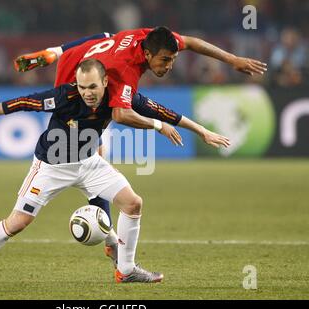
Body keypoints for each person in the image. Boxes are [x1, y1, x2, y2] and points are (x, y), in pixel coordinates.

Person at [0, 59, 229, 285]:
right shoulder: (64, 97)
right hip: (50, 168)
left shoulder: (119, 97)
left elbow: (163, 112)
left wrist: (202, 131)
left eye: (93, 87)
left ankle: (126, 270)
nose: (87, 93)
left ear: (105, 83)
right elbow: (21, 103)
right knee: (17, 223)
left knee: (133, 203)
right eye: (82, 86)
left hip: (89, 164)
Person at [14, 25, 255, 264]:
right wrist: (160, 126)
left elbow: (190, 42)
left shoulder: (151, 38)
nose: (169, 66)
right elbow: (122, 114)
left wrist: (232, 59)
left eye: (172, 59)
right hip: (79, 78)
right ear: (148, 54)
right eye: (165, 60)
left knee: (95, 153)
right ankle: (111, 241)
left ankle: (54, 52)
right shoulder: (126, 69)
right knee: (91, 152)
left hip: (84, 56)